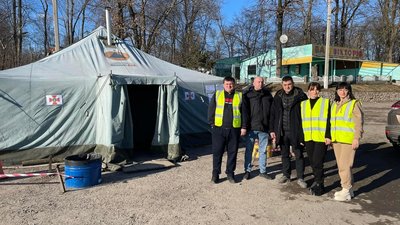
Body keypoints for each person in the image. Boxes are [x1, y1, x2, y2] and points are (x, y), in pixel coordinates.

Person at [270, 76, 308, 188]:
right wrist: (272, 130)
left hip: (296, 131)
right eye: (285, 84)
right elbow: (273, 114)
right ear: (282, 85)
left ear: (293, 83)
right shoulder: (278, 96)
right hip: (282, 131)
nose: (287, 86)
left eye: (289, 84)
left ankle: (301, 177)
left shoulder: (301, 96)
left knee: (299, 154)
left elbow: (306, 114)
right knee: (284, 154)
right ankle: (286, 175)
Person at [208, 76, 247, 184]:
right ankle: (215, 174)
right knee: (217, 153)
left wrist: (244, 127)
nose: (229, 86)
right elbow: (211, 109)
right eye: (227, 84)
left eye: (231, 84)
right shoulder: (217, 94)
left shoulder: (240, 96)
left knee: (232, 153)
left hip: (234, 129)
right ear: (223, 85)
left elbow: (244, 113)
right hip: (218, 129)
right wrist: (212, 124)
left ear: (234, 85)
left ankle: (230, 173)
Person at [330, 82, 364, 201]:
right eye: (340, 89)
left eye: (345, 89)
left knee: (345, 165)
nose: (342, 92)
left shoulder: (354, 104)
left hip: (348, 140)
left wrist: (356, 138)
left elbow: (358, 123)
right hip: (336, 139)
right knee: (341, 165)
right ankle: (349, 190)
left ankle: (345, 188)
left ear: (349, 91)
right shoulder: (335, 104)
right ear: (337, 91)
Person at [300, 82, 331, 196]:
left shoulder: (325, 103)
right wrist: (301, 138)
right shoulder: (303, 104)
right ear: (308, 91)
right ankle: (317, 180)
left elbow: (329, 120)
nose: (314, 91)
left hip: (321, 137)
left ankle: (320, 183)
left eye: (317, 89)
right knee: (313, 161)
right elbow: (301, 122)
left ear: (319, 91)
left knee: (318, 161)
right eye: (312, 89)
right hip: (308, 137)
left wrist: (328, 136)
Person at [242, 76, 273, 180]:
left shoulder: (268, 95)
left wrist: (270, 128)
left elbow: (272, 113)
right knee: (249, 150)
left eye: (262, 82)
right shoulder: (247, 95)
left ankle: (263, 171)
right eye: (258, 82)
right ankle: (247, 171)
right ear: (253, 83)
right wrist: (244, 126)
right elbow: (244, 112)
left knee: (263, 151)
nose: (261, 83)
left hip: (264, 127)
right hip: (251, 128)